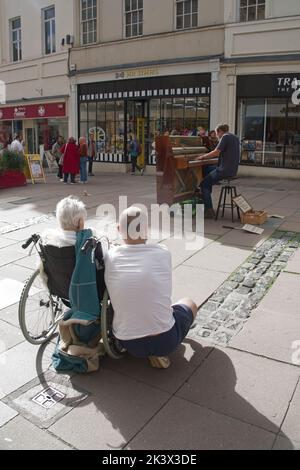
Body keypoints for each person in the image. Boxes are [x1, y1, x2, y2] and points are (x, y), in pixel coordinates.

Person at [104, 206, 198, 369]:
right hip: (166, 340)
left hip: (129, 343)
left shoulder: (110, 256)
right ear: (147, 230)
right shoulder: (162, 252)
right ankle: (162, 346)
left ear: (119, 229)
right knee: (189, 303)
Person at [196, 124, 240, 219]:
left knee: (204, 185)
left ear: (220, 131)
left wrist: (203, 157)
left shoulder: (225, 137)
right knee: (207, 169)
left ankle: (209, 210)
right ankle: (208, 190)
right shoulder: (235, 137)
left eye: (216, 133)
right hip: (232, 170)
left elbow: (216, 152)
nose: (216, 135)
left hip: (224, 170)